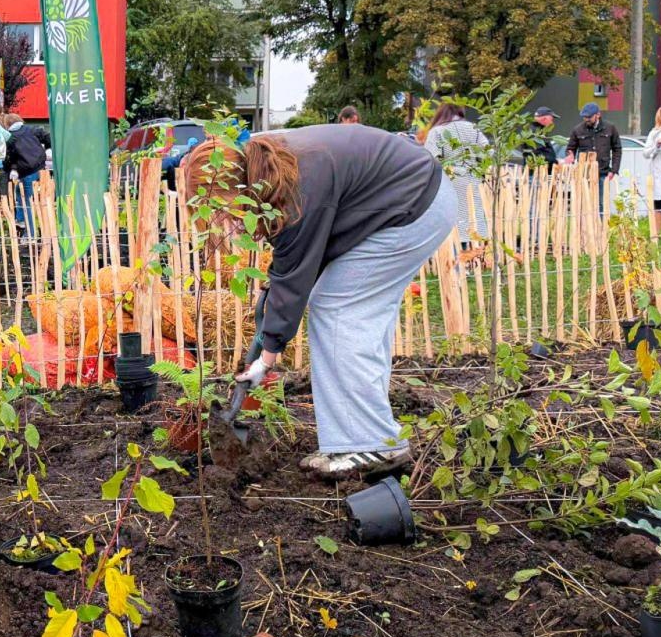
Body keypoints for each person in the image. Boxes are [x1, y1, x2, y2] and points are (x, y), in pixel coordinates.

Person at [182, 124, 456, 478]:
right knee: (356, 313)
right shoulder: (269, 167)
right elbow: (296, 259)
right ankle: (371, 437)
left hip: (414, 204)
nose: (224, 223)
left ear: (230, 191)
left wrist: (266, 358)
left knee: (337, 308)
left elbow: (297, 273)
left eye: (220, 211)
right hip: (411, 199)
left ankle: (371, 444)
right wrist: (277, 288)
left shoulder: (294, 182)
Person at [422, 103, 489, 245]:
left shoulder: (438, 131)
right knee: (476, 211)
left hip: (450, 180)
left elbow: (431, 159)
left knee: (455, 215)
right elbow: (488, 151)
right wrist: (479, 168)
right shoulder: (473, 129)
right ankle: (479, 248)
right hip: (475, 178)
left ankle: (459, 248)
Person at [566, 102, 622, 209]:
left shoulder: (610, 128)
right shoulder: (577, 130)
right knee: (584, 203)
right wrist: (570, 156)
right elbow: (570, 148)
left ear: (598, 115)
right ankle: (584, 226)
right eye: (584, 117)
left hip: (602, 172)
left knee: (600, 204)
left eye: (589, 117)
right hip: (584, 173)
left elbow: (617, 149)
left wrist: (614, 170)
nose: (586, 119)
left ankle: (601, 225)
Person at [4, 111, 47, 230]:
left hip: (26, 172)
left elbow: (11, 157)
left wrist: (11, 170)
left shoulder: (10, 138)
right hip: (40, 168)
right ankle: (21, 220)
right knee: (22, 193)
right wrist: (48, 149)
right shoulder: (31, 129)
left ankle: (30, 232)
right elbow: (47, 136)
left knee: (26, 202)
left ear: (7, 125)